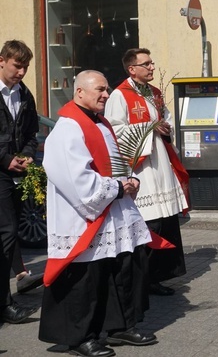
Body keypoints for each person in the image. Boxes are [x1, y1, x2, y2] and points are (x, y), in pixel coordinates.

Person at [40, 70, 158, 357]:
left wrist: (129, 180)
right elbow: (76, 178)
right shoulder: (68, 128)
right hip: (84, 216)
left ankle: (120, 326)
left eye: (107, 89)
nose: (106, 95)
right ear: (79, 92)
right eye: (100, 90)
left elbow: (114, 162)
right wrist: (117, 187)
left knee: (120, 266)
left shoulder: (101, 122)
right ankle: (81, 337)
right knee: (86, 277)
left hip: (114, 210)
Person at [105, 48, 189, 297]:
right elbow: (114, 131)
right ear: (132, 69)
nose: (152, 67)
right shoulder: (119, 96)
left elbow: (168, 120)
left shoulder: (154, 93)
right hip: (141, 167)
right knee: (149, 223)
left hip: (160, 162)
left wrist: (164, 127)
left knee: (166, 222)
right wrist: (150, 128)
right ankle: (142, 278)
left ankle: (159, 275)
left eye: (152, 63)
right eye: (147, 64)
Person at [0, 40, 39, 324]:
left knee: (8, 236)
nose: (22, 72)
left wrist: (25, 155)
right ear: (1, 61)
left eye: (26, 66)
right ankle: (5, 305)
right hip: (1, 171)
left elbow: (31, 132)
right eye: (17, 65)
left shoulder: (24, 94)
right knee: (8, 233)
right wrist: (5, 159)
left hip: (14, 173)